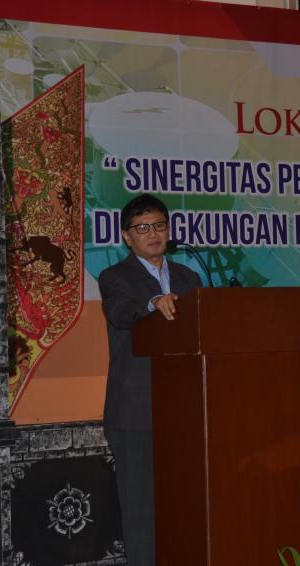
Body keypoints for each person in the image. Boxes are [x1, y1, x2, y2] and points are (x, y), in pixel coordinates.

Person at [98, 193, 201, 566]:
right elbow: (121, 313)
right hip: (136, 411)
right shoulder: (114, 277)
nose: (153, 234)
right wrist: (152, 303)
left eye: (159, 225)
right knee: (142, 511)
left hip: (185, 412)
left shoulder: (189, 277)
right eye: (142, 228)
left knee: (184, 506)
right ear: (127, 237)